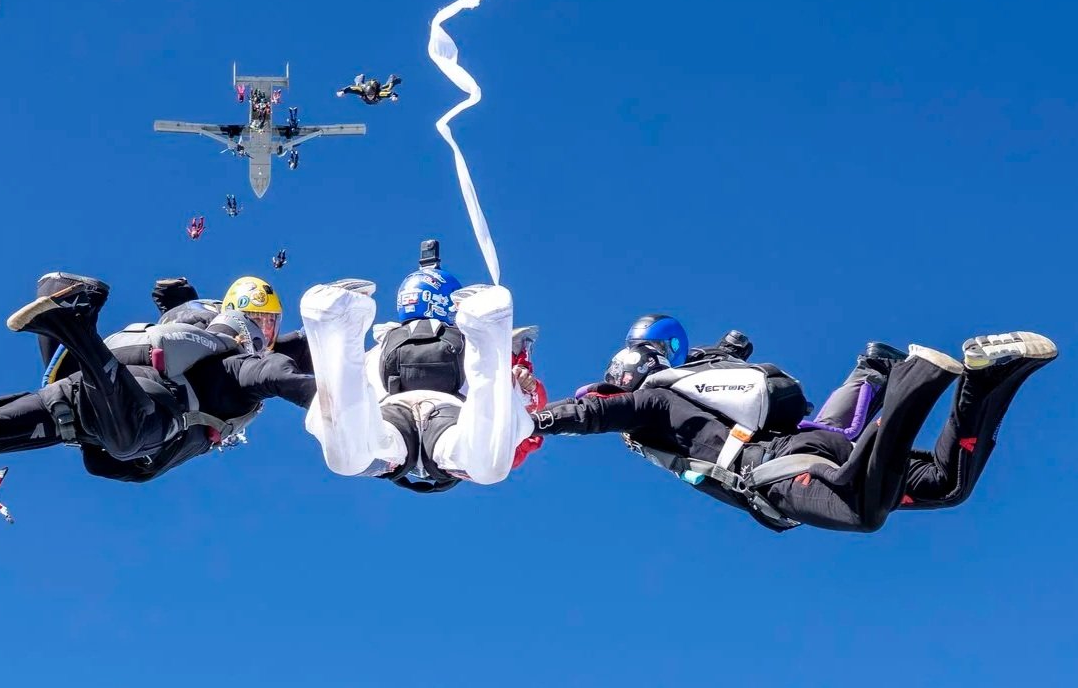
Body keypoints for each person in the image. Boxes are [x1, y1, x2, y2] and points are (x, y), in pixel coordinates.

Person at [531, 315, 1058, 533]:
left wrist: (532, 422)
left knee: (864, 512)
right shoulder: (685, 392)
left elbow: (591, 413)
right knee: (949, 485)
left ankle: (916, 377)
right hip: (810, 446)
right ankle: (988, 378)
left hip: (778, 474)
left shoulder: (651, 404)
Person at [0, 271, 315, 485]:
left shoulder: (195, 329)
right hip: (131, 405)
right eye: (266, 322)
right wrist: (335, 405)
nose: (267, 333)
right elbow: (277, 374)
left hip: (90, 398)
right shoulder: (237, 365)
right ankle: (76, 319)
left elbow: (282, 357)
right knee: (130, 440)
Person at [300, 242, 539, 492]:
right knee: (488, 463)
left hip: (393, 415)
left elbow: (354, 387)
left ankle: (338, 326)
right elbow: (516, 404)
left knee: (350, 455)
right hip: (449, 417)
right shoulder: (463, 344)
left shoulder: (384, 345)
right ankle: (488, 329)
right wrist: (525, 389)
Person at [335, 74, 402, 104]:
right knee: (359, 85)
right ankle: (360, 77)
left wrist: (393, 96)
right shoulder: (362, 90)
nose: (370, 96)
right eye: (369, 94)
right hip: (365, 88)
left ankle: (393, 79)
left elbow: (390, 93)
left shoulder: (379, 93)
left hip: (377, 92)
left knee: (387, 87)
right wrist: (342, 91)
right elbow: (351, 88)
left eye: (371, 94)